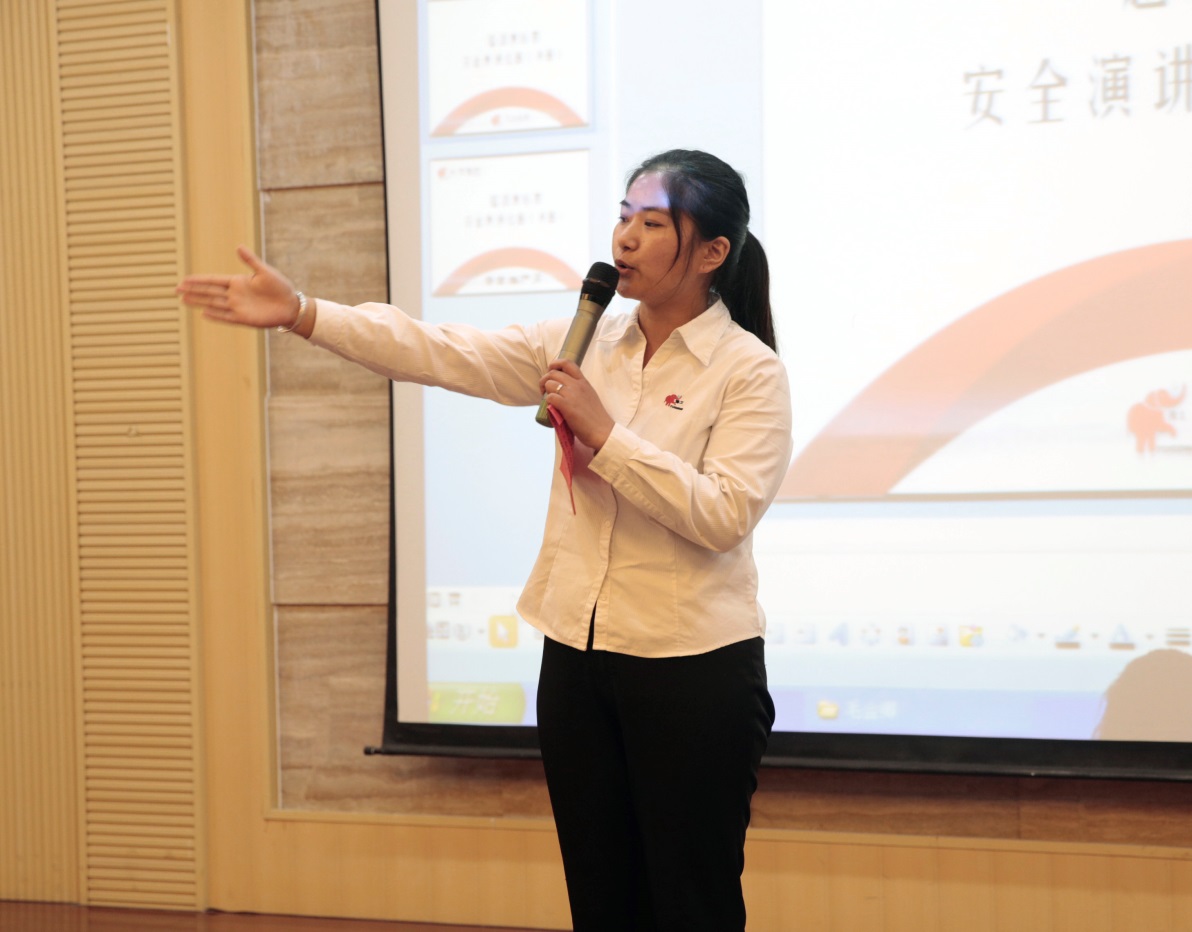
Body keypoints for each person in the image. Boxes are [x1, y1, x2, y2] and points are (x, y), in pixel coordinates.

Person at [178, 148, 792, 931]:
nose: (625, 238)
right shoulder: (583, 340)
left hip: (692, 669)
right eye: (622, 217)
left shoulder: (747, 371)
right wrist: (303, 311)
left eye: (652, 223)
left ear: (711, 253)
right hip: (576, 657)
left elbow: (723, 514)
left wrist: (605, 435)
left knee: (688, 903)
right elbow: (439, 350)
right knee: (601, 898)